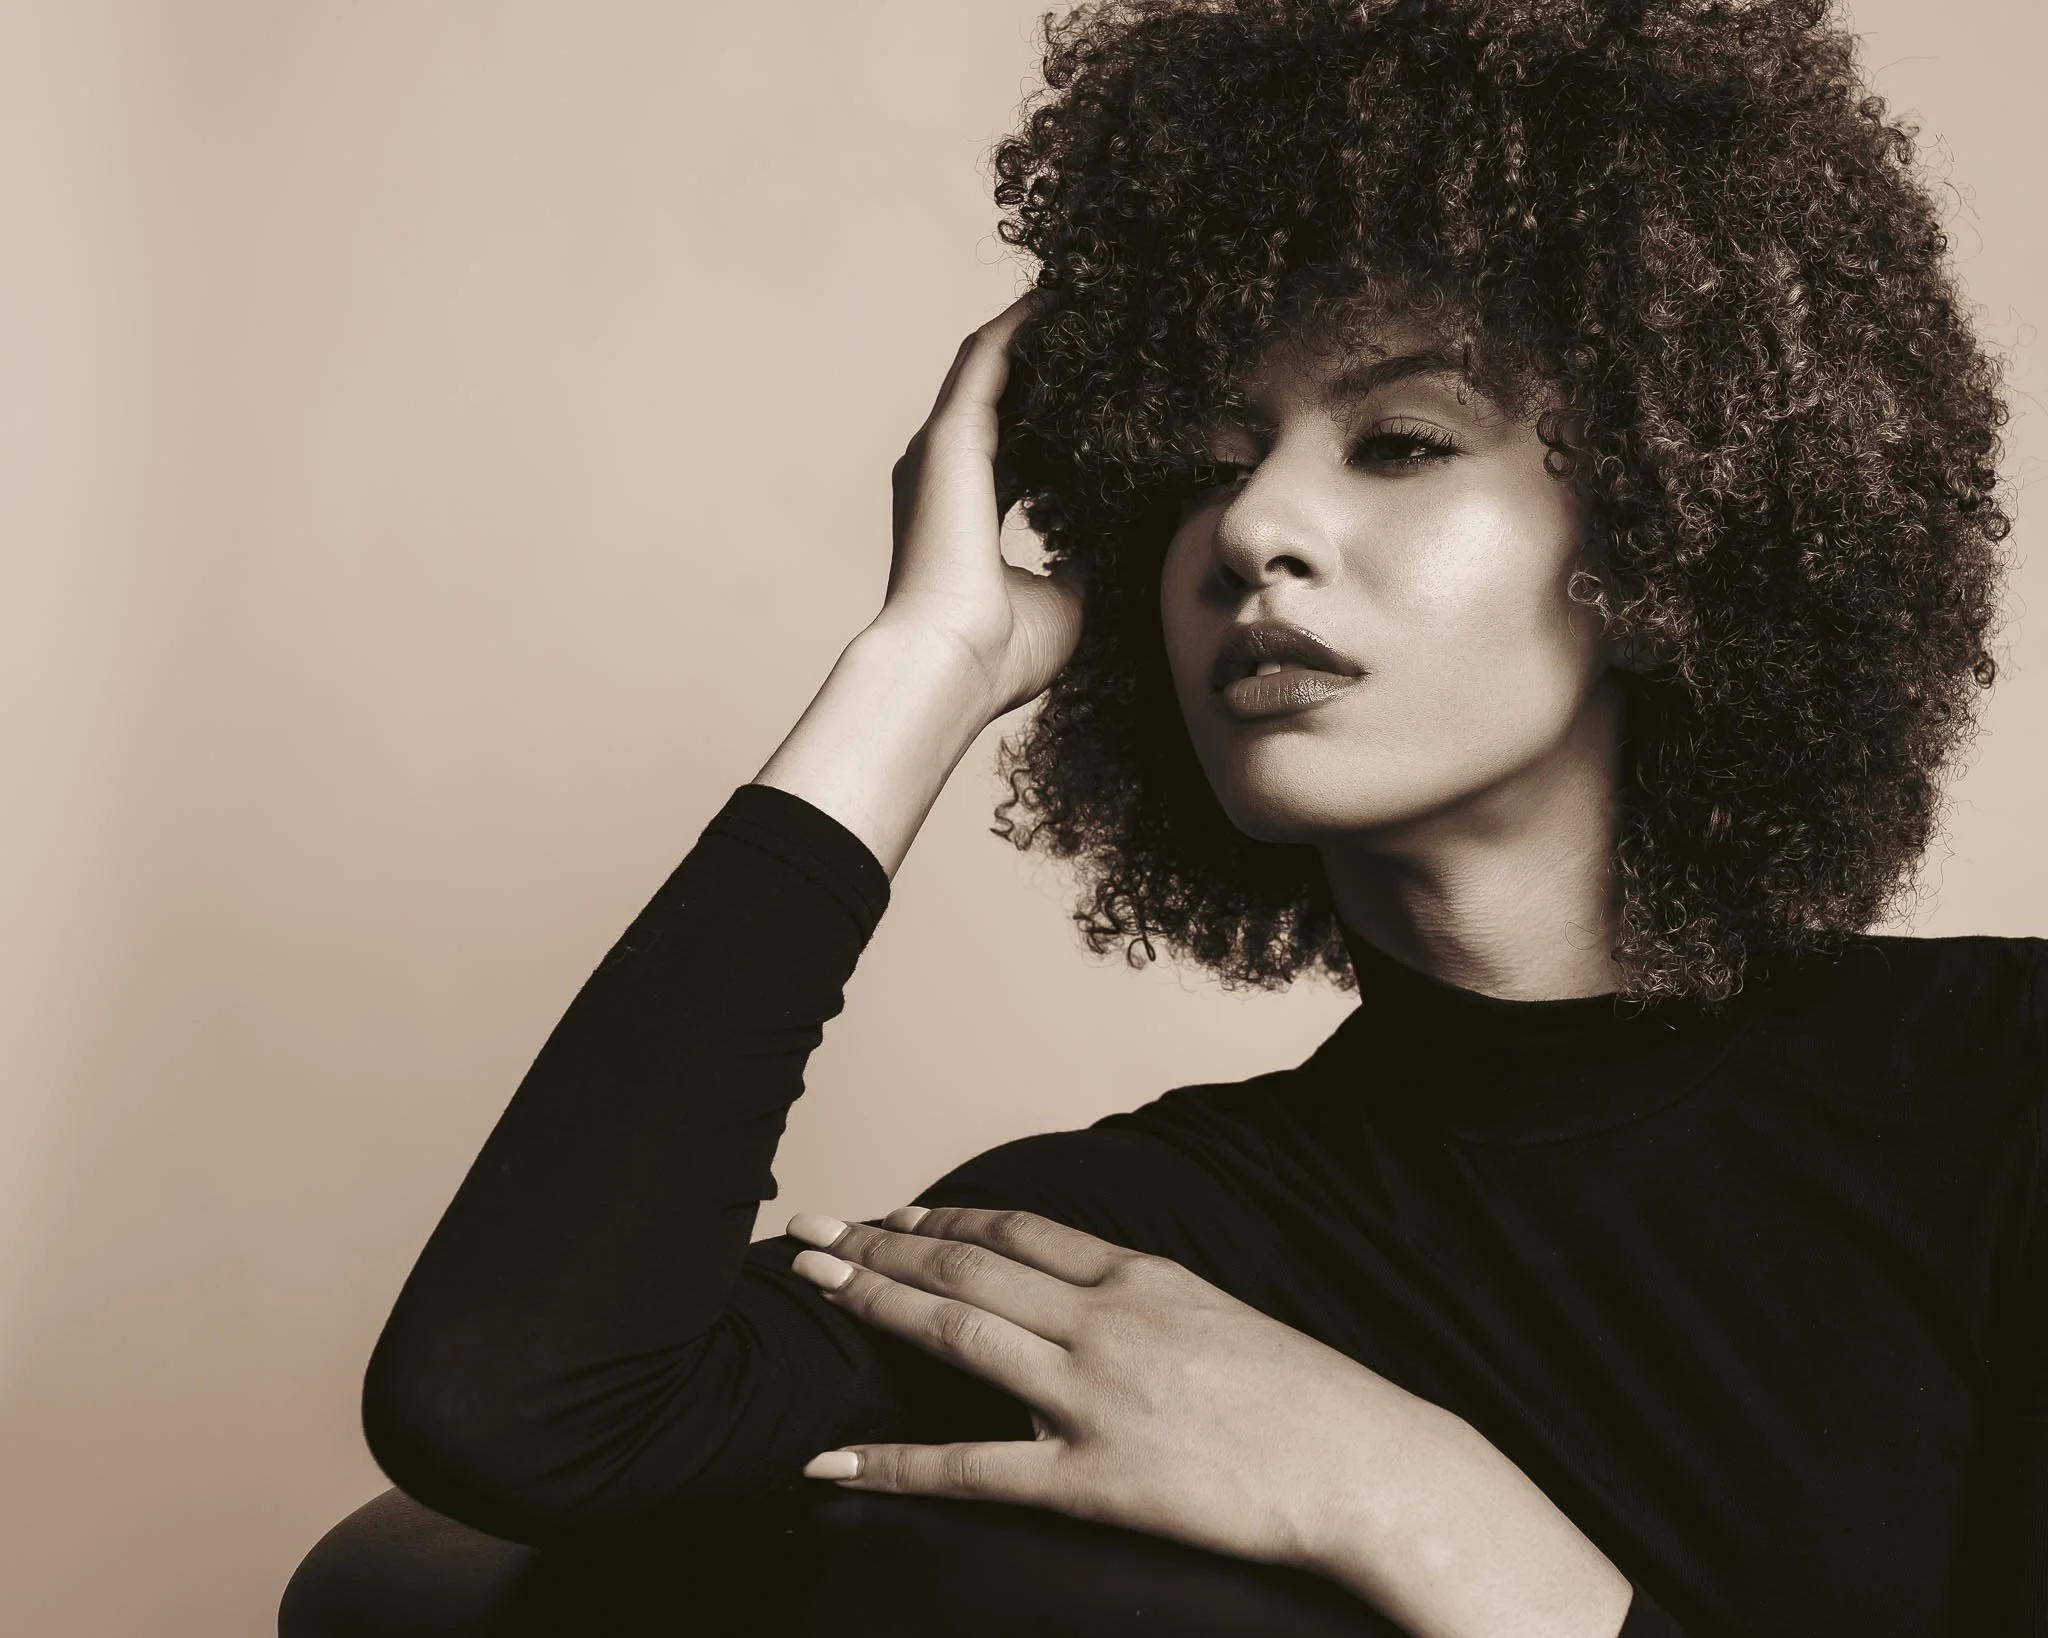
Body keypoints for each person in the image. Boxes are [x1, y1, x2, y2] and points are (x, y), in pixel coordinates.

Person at [357, 2, 2041, 1634]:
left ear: (1676, 521)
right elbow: (509, 1401)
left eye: (1397, 440)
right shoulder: (1142, 1260)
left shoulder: (2005, 1093)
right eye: (1202, 466)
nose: (1253, 528)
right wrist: (927, 661)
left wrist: (1424, 1513)